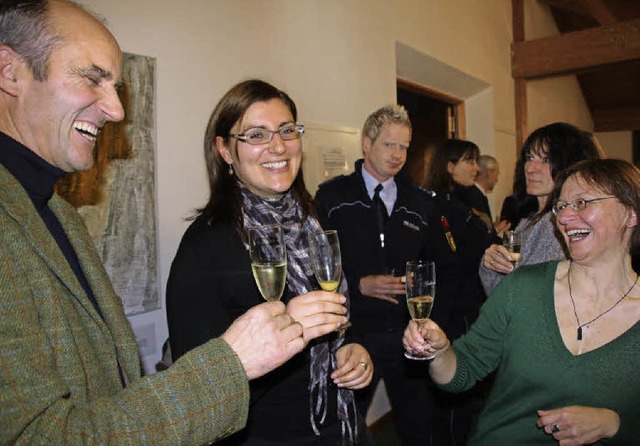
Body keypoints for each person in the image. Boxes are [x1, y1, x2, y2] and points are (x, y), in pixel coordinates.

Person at [0, 1, 307, 443]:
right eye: (92, 78)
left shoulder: (57, 213)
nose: (116, 110)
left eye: (115, 86)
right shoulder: (206, 244)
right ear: (10, 72)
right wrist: (234, 363)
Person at [166, 79, 373, 445]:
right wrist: (288, 329)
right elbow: (198, 390)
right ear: (225, 150)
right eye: (257, 135)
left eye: (287, 130)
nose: (278, 146)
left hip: (341, 425)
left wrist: (352, 348)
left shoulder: (314, 220)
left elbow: (338, 320)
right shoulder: (207, 245)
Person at [404, 158, 640, 445]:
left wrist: (615, 423)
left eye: (582, 203)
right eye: (561, 206)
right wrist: (439, 352)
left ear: (630, 213)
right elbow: (462, 370)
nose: (564, 218)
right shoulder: (523, 287)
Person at [315, 105, 459, 445]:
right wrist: (358, 282)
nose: (398, 155)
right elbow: (317, 264)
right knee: (345, 428)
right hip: (354, 334)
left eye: (404, 147)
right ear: (366, 143)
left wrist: (431, 322)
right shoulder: (331, 197)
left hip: (409, 336)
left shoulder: (422, 203)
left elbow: (446, 270)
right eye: (389, 145)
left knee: (418, 428)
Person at [479, 122, 603, 295]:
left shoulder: (561, 224)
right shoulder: (528, 221)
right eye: (529, 158)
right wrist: (491, 264)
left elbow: (535, 296)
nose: (530, 168)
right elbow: (500, 297)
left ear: (568, 165)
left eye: (546, 160)